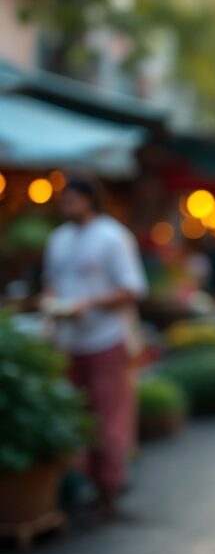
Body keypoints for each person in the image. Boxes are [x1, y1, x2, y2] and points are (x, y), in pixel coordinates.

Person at [42, 177, 148, 518]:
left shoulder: (112, 237)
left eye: (73, 200)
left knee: (107, 417)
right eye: (65, 200)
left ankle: (109, 487)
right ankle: (85, 483)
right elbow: (51, 284)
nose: (68, 206)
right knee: (77, 415)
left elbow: (132, 289)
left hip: (106, 338)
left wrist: (89, 304)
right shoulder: (58, 239)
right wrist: (52, 306)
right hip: (70, 340)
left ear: (90, 200)